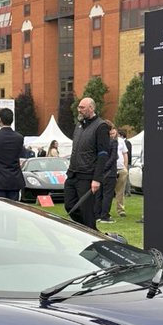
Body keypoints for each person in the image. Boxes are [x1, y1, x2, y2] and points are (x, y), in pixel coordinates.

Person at [64, 97, 109, 229]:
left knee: (87, 211)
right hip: (73, 174)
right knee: (69, 206)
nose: (79, 110)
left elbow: (103, 154)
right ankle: (86, 230)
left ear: (91, 108)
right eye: (79, 107)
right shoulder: (79, 126)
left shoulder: (101, 126)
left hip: (87, 176)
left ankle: (91, 235)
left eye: (82, 107)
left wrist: (97, 179)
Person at [97, 126, 121, 223]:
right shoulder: (113, 142)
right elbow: (114, 157)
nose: (113, 135)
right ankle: (104, 216)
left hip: (100, 172)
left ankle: (97, 215)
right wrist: (105, 167)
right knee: (107, 195)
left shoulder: (99, 142)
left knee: (99, 195)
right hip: (109, 172)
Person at [114, 128, 131, 218]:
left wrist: (125, 167)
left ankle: (120, 210)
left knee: (120, 191)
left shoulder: (121, 141)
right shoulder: (105, 139)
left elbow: (125, 153)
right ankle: (104, 211)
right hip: (110, 169)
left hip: (121, 169)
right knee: (106, 191)